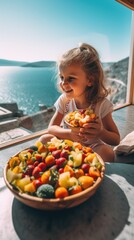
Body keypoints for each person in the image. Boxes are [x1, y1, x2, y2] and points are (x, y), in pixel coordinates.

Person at [39, 43, 120, 162]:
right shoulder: (64, 100)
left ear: (90, 80)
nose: (63, 83)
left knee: (107, 153)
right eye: (62, 77)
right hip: (68, 145)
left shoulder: (101, 104)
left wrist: (101, 132)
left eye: (70, 78)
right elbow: (51, 128)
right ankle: (72, 162)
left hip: (92, 149)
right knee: (44, 139)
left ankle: (77, 163)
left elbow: (116, 139)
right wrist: (69, 134)